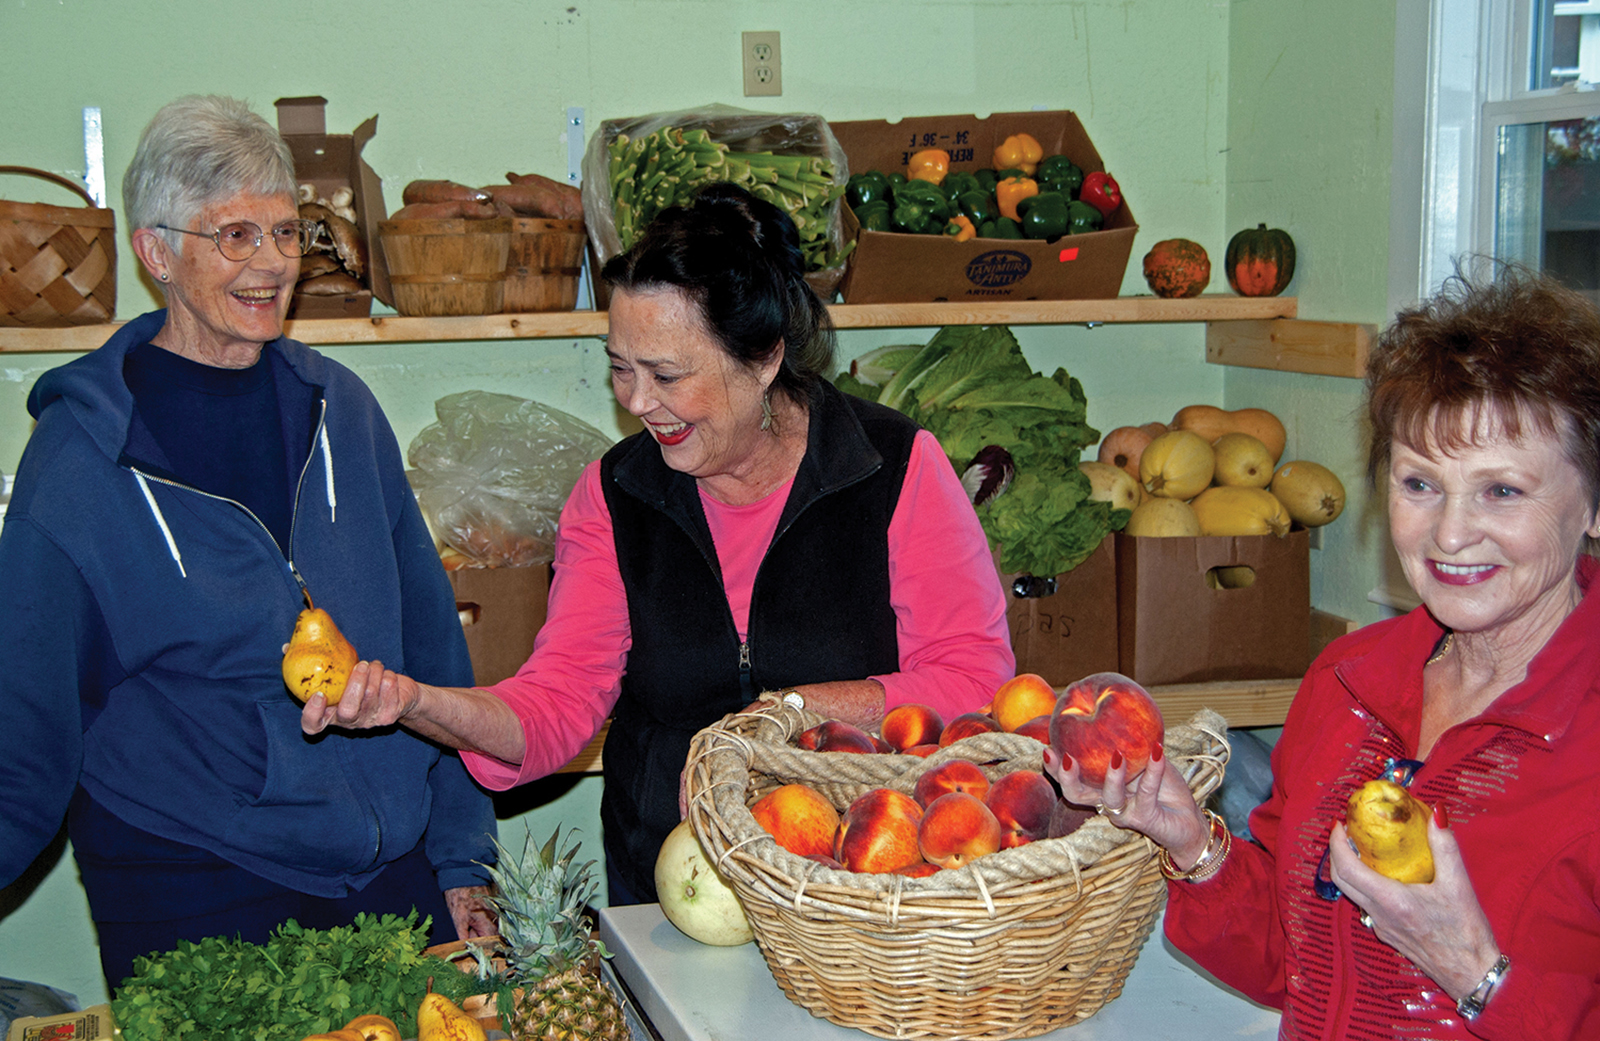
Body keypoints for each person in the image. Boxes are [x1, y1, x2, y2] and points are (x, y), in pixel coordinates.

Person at [302, 183, 1015, 905]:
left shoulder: (893, 469)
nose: (638, 402)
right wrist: (421, 703)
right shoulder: (615, 497)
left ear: (764, 357)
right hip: (673, 890)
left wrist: (789, 710)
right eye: (621, 367)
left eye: (667, 375)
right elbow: (557, 703)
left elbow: (973, 680)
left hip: (864, 882)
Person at [0, 95, 496, 987]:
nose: (272, 263)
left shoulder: (341, 407)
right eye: (234, 235)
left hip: (391, 862)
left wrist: (463, 852)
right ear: (157, 253)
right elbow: (25, 728)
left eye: (284, 232)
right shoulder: (80, 461)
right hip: (193, 881)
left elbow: (432, 643)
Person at [1045, 263, 1600, 1039]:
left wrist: (1476, 972)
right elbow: (1286, 956)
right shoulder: (1350, 682)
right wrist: (1192, 839)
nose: (1449, 532)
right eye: (1420, 484)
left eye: (1502, 491)